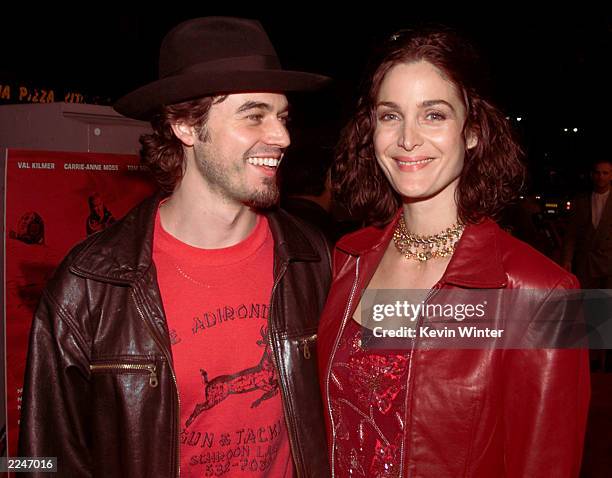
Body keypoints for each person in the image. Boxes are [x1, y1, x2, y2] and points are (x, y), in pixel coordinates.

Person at [19, 17, 332, 477]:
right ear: (185, 125)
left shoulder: (312, 258)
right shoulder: (88, 285)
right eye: (254, 115)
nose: (282, 136)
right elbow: (39, 457)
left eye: (282, 116)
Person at [317, 28, 590, 477]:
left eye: (434, 115)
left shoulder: (547, 296)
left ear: (473, 132)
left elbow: (547, 463)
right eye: (390, 116)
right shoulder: (348, 258)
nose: (407, 139)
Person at [562, 159, 612, 288]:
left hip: (609, 265)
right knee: (587, 304)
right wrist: (567, 259)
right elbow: (571, 234)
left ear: (611, 176)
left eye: (605, 173)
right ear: (592, 175)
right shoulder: (580, 200)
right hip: (585, 264)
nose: (601, 176)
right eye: (597, 173)